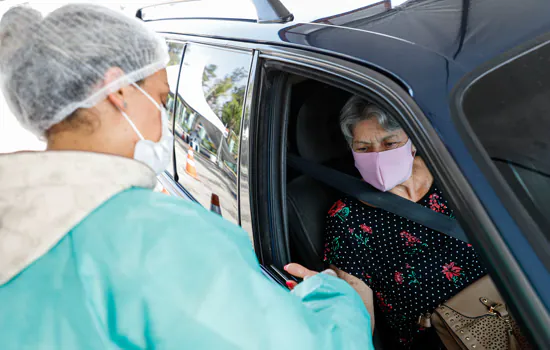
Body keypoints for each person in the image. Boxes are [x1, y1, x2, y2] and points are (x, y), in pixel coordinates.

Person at [0, 5, 374, 349]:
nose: (165, 122)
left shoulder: (15, 216)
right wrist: (340, 299)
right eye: (162, 101)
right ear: (116, 91)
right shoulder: (157, 238)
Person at [321, 96, 487, 349]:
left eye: (390, 143)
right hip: (446, 339)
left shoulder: (455, 173)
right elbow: (357, 323)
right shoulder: (348, 219)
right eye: (364, 148)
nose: (378, 157)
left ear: (412, 142)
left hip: (520, 309)